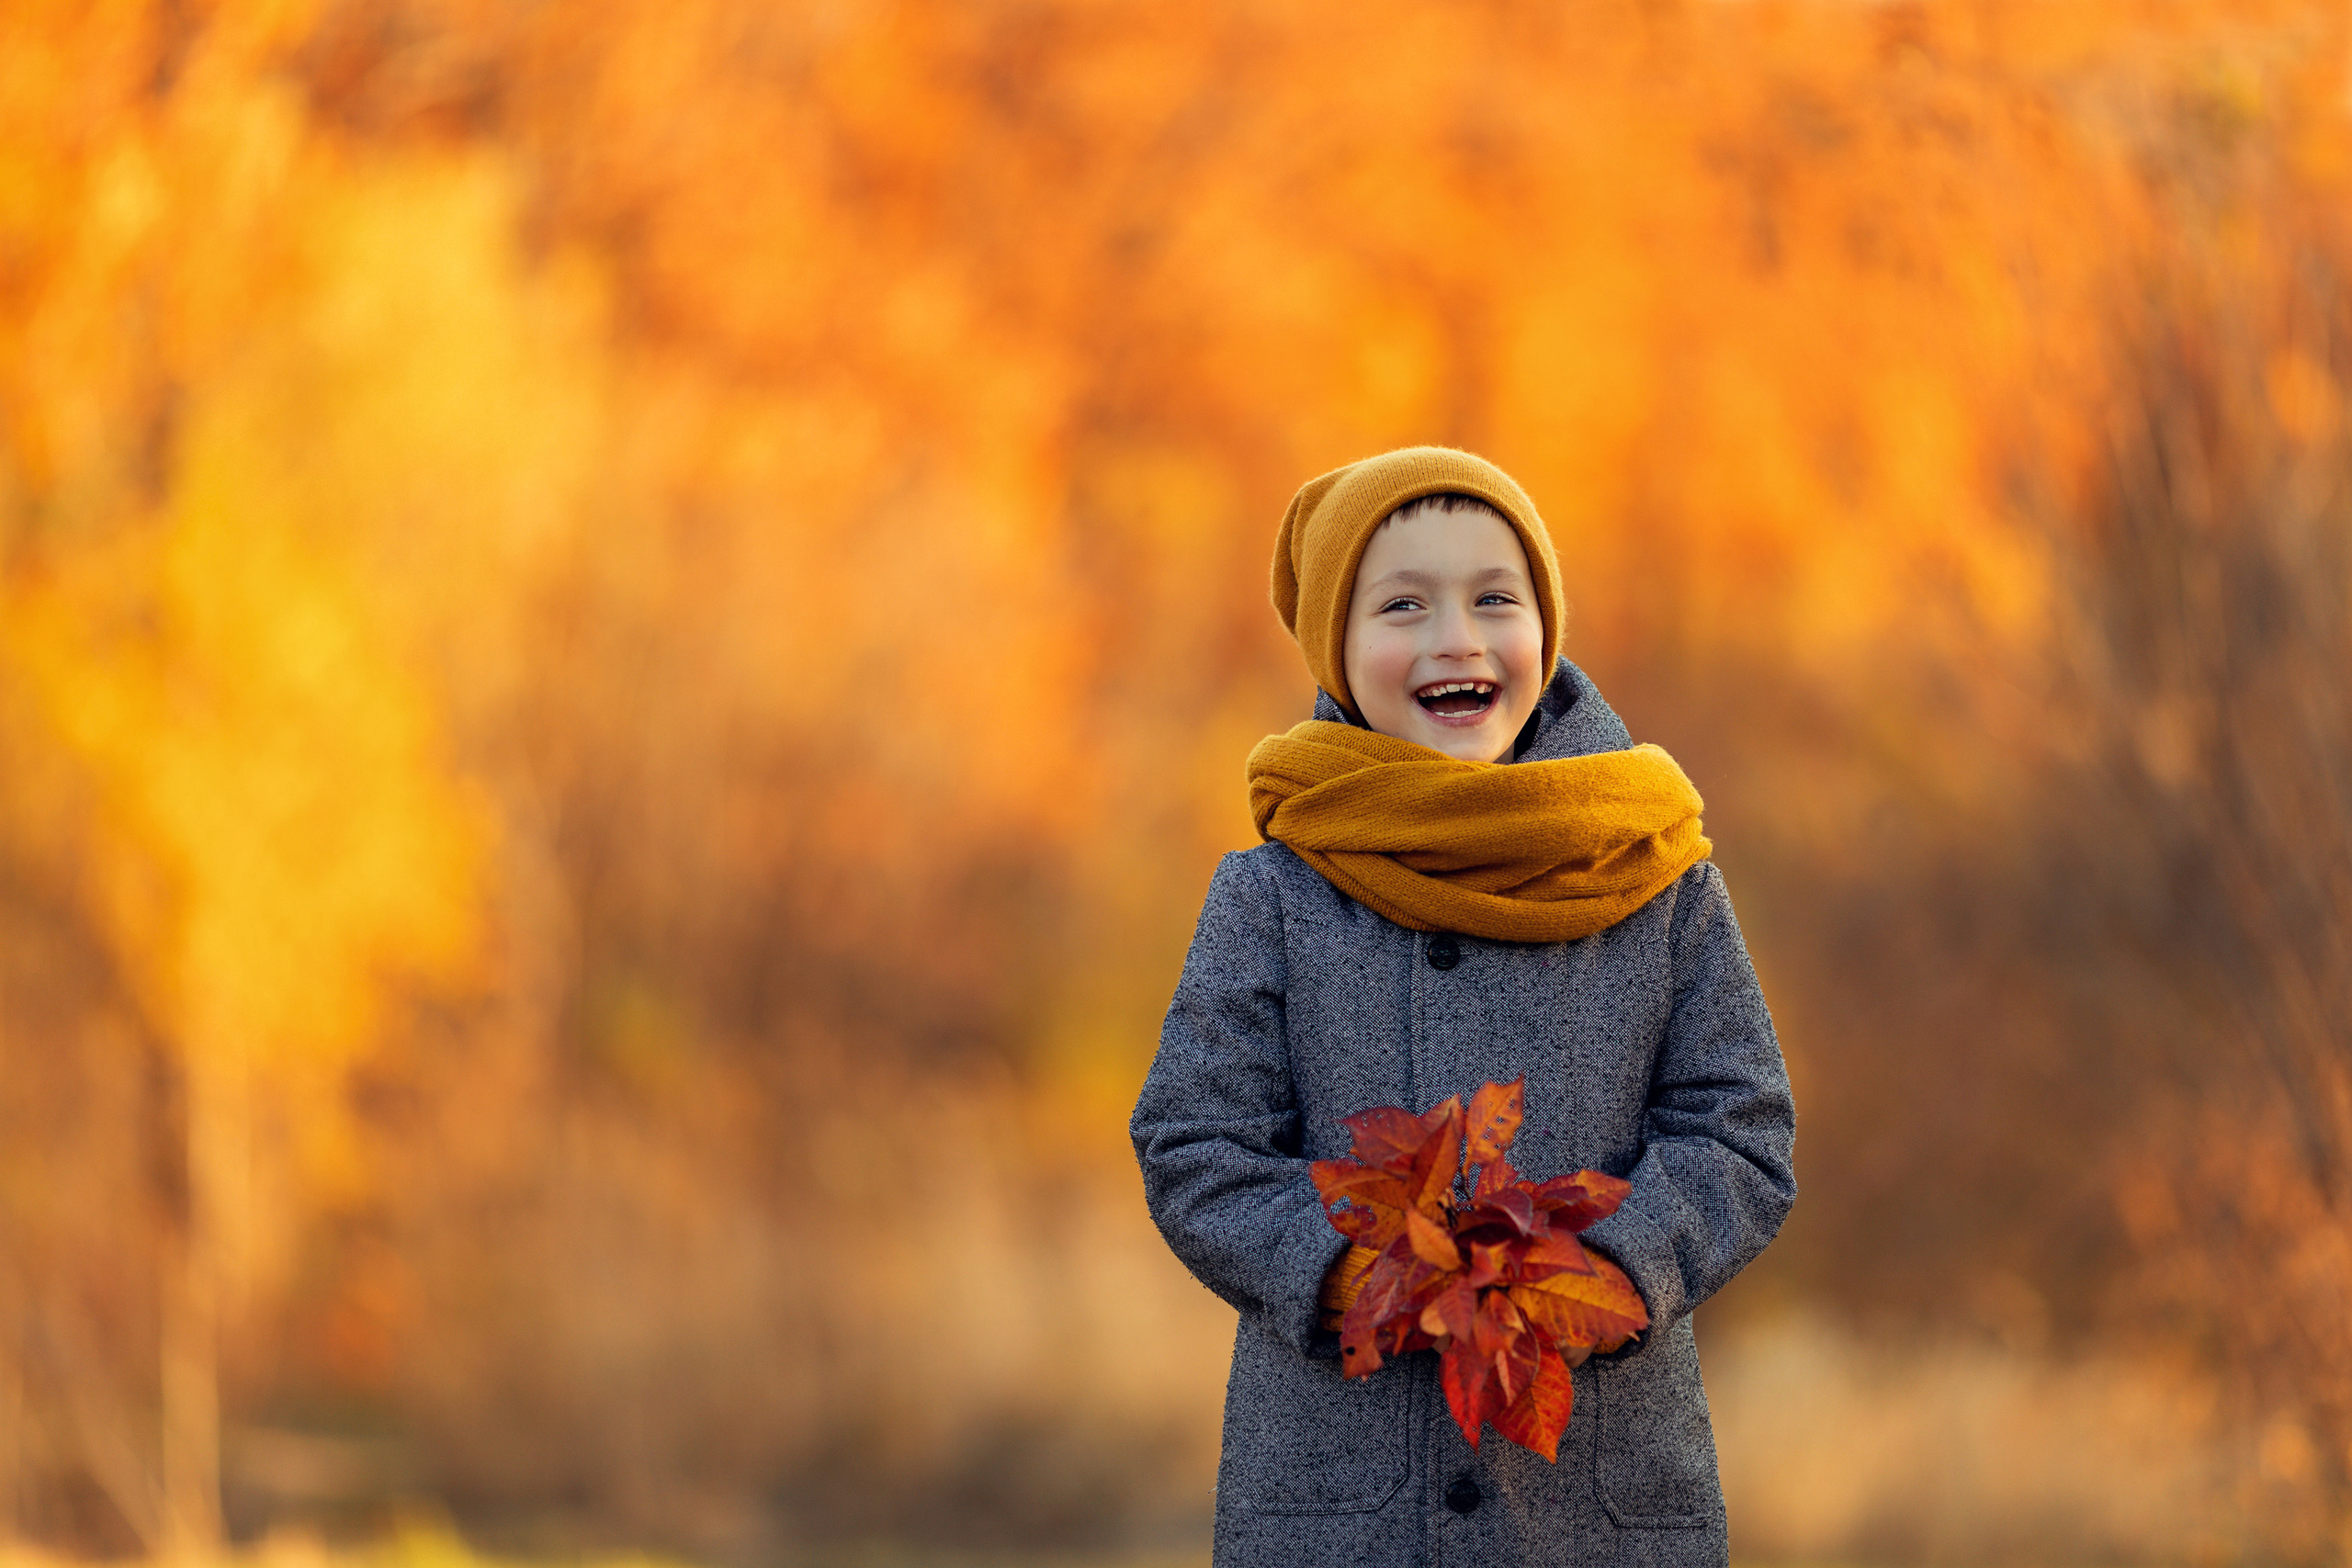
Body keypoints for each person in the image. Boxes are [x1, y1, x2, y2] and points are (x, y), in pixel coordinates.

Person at [1130, 446, 1796, 1568]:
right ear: (1336, 654)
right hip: (1345, 1508)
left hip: (1599, 1501)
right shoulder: (1274, 893)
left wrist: (1610, 1272)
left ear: (1547, 625)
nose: (1458, 638)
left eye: (1497, 598)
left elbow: (1741, 1135)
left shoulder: (1653, 869)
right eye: (1403, 606)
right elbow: (1195, 1145)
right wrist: (1351, 1271)